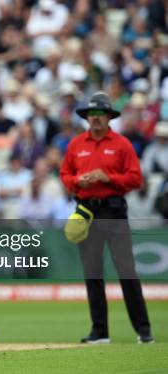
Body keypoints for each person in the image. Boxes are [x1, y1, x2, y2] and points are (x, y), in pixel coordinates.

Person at [59, 92, 153, 344]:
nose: (96, 119)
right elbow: (65, 174)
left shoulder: (121, 144)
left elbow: (135, 179)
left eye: (101, 114)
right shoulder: (77, 144)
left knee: (126, 271)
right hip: (87, 212)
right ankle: (100, 331)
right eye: (92, 114)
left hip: (113, 211)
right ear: (87, 117)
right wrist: (77, 181)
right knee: (92, 272)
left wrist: (107, 177)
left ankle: (143, 330)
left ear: (109, 117)